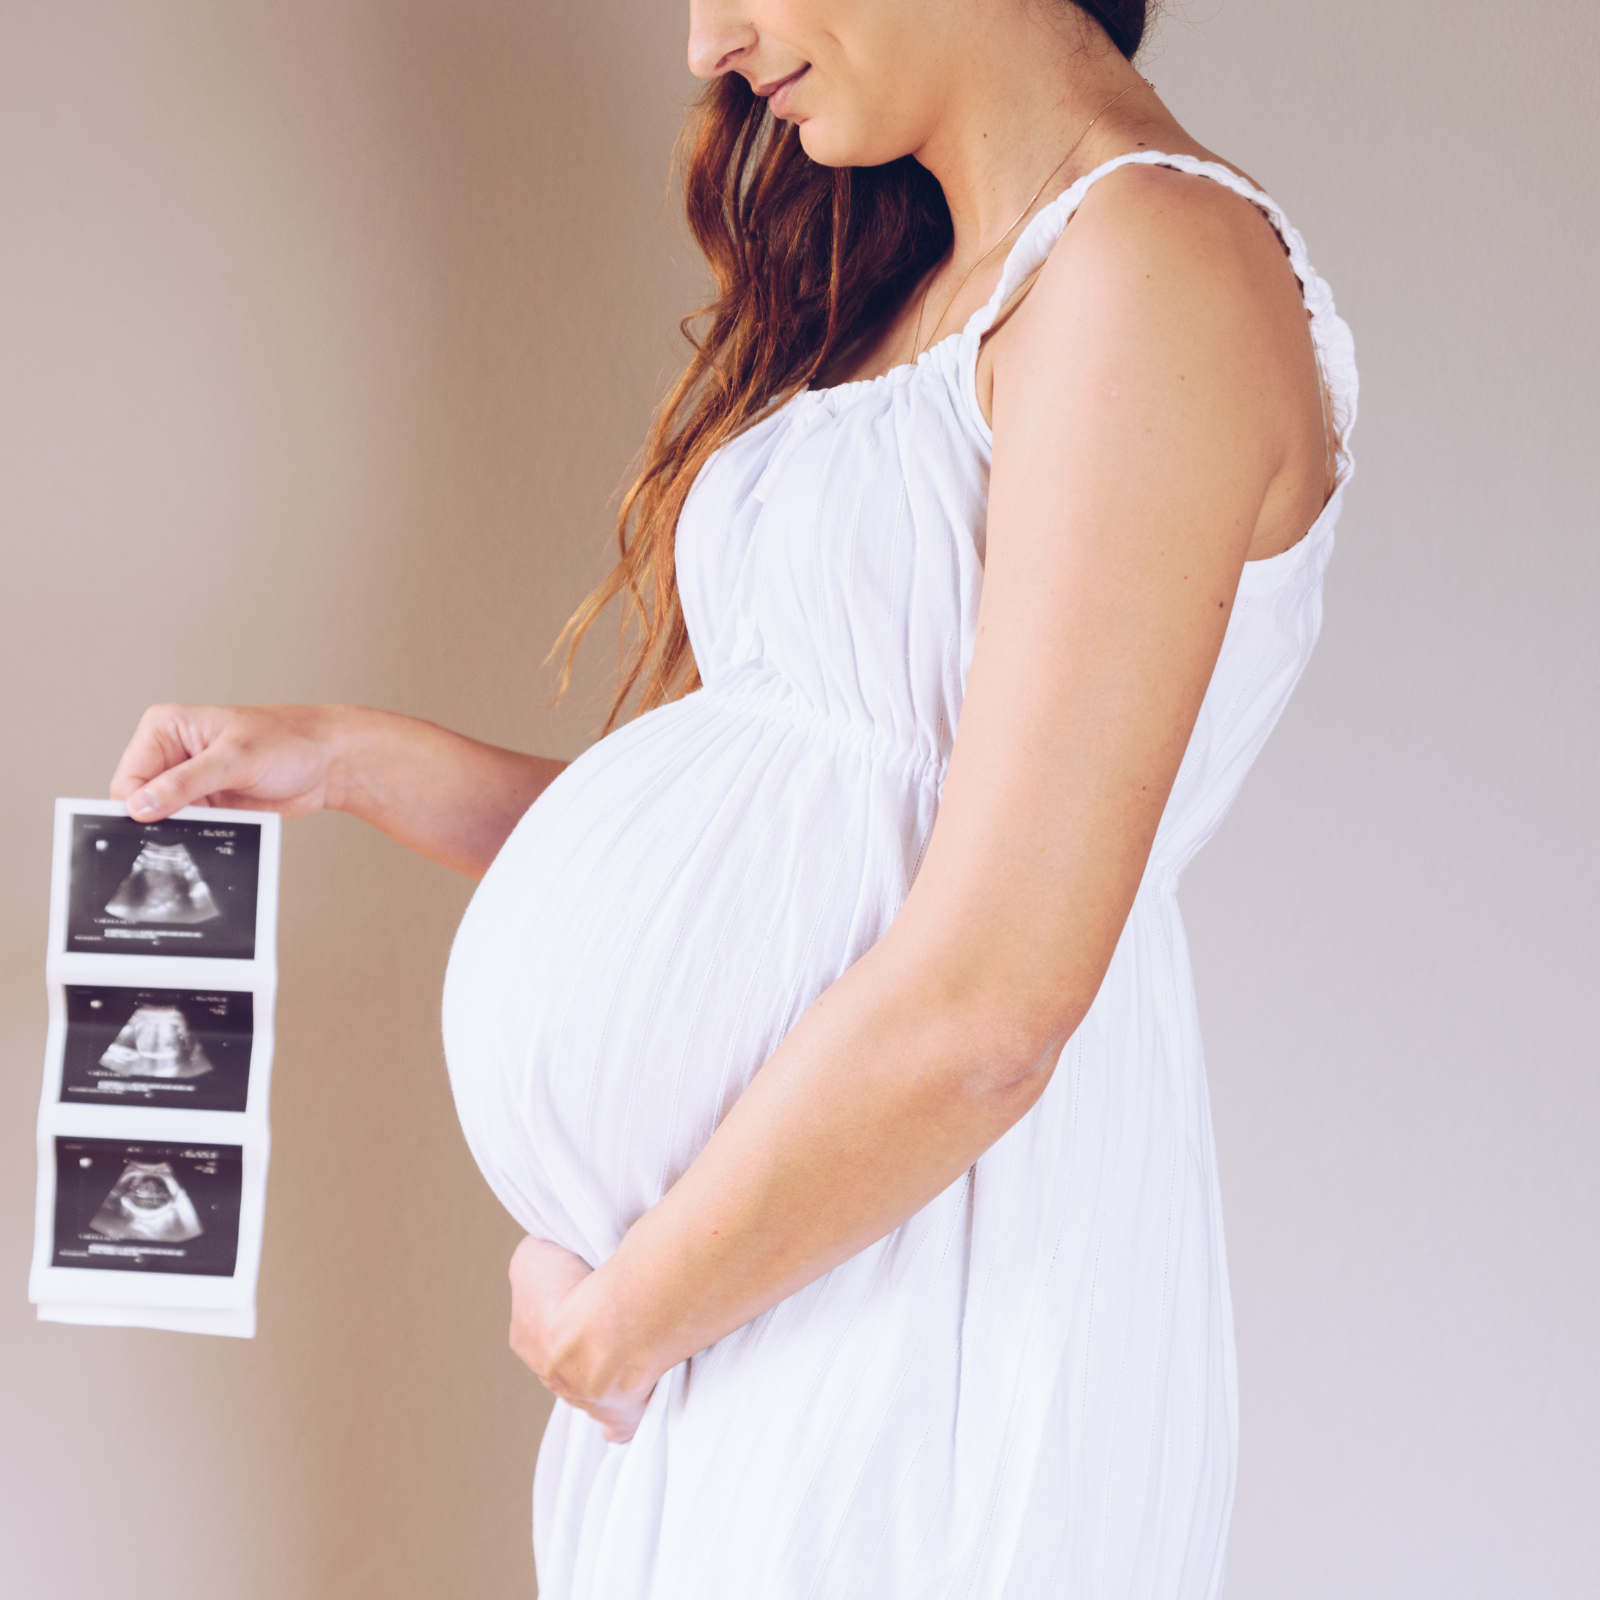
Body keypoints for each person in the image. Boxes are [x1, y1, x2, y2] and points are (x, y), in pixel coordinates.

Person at [110, 0, 1356, 1592]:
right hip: (758, 1296)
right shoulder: (947, 284)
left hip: (915, 1300)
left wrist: (616, 1329)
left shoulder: (1153, 267)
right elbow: (797, 850)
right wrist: (355, 763)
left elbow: (992, 1001)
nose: (709, 43)